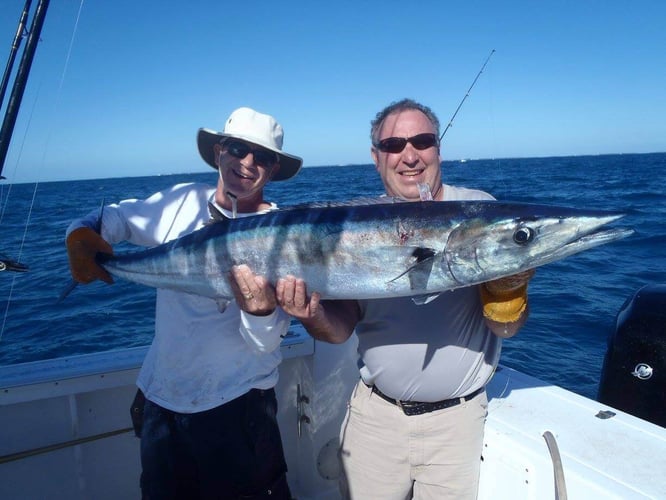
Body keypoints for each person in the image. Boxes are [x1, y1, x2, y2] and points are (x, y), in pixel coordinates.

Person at [276, 98, 534, 499]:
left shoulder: (483, 213)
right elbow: (339, 329)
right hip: (374, 420)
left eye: (422, 141)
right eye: (394, 146)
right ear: (376, 157)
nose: (409, 156)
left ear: (438, 148)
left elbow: (507, 327)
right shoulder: (353, 228)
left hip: (457, 423)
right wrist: (310, 315)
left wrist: (510, 291)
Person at [65, 107, 302, 499]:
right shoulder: (183, 200)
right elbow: (116, 219)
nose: (247, 162)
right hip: (162, 401)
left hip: (240, 406)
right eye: (238, 148)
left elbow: (265, 345)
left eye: (261, 157)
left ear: (273, 170)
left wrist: (259, 312)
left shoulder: (285, 235)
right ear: (218, 152)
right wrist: (82, 233)